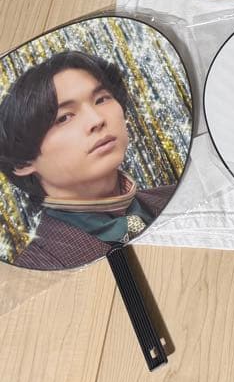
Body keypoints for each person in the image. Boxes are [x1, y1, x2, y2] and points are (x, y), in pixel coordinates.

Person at [0, 51, 175, 270]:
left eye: (101, 99)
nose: (97, 120)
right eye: (64, 118)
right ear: (23, 163)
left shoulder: (178, 199)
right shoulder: (34, 271)